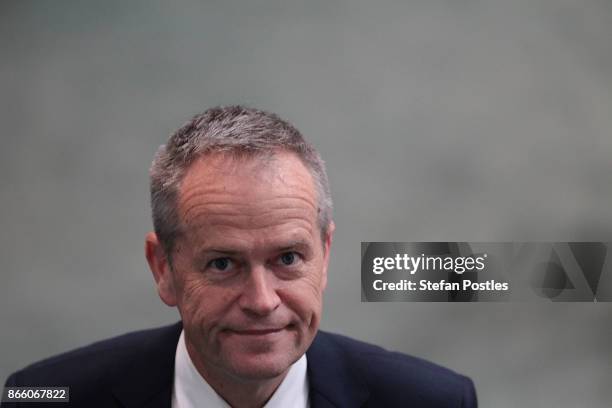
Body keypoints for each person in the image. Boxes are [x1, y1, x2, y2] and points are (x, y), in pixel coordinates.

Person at [2, 106, 477, 408]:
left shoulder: (432, 401)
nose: (262, 300)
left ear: (325, 256)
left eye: (288, 258)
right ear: (163, 268)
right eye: (223, 264)